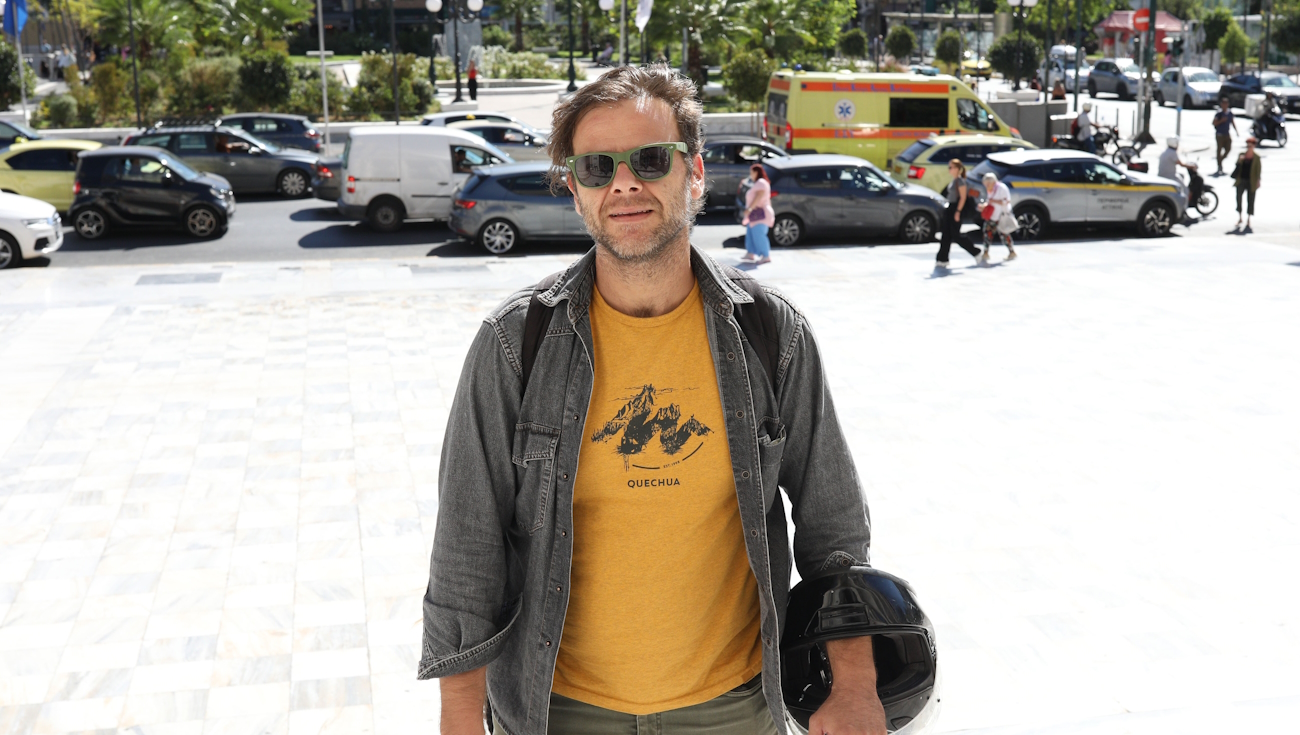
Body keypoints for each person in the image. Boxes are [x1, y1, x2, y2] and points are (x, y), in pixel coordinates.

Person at [422, 64, 885, 735]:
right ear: (575, 191)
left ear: (694, 173)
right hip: (561, 712)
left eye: (650, 159)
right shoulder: (514, 343)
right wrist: (459, 719)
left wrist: (856, 683)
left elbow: (833, 526)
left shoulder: (771, 333)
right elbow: (467, 544)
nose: (623, 184)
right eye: (596, 167)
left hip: (735, 709)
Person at [937, 159, 982, 270]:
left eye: (951, 167)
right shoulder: (954, 180)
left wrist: (957, 212)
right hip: (950, 208)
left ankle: (976, 252)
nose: (949, 169)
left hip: (955, 209)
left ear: (957, 169)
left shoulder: (960, 181)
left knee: (956, 235)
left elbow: (963, 197)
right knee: (946, 235)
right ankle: (942, 259)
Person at [741, 163, 774, 264]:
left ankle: (766, 255)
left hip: (759, 214)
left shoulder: (761, 182)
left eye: (752, 172)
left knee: (759, 235)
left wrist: (750, 209)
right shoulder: (760, 182)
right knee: (751, 234)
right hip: (755, 214)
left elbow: (758, 196)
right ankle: (750, 253)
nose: (751, 175)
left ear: (756, 172)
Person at [980, 172, 1016, 263]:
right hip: (992, 216)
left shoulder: (1002, 188)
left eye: (988, 184)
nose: (986, 186)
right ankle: (985, 253)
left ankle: (1012, 252)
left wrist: (994, 201)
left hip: (1001, 215)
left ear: (992, 182)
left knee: (1004, 234)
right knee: (987, 233)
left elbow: (1006, 201)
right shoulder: (990, 189)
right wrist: (984, 205)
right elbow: (989, 201)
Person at [1232, 136, 1261, 233]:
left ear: (1254, 146)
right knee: (1239, 198)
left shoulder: (1256, 157)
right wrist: (1240, 160)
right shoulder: (1242, 154)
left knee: (1250, 200)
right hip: (1241, 180)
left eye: (1250, 146)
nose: (1249, 147)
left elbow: (1258, 170)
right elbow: (1237, 166)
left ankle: (1248, 219)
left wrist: (1258, 181)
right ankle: (1240, 217)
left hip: (1251, 181)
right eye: (1247, 146)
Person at [1213, 98, 1237, 176]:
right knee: (1219, 150)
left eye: (1226, 104)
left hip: (1227, 134)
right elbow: (1214, 123)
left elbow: (1232, 121)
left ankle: (1220, 160)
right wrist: (1221, 121)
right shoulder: (1219, 113)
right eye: (1223, 104)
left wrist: (1236, 131)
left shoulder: (1229, 113)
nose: (1225, 105)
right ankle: (1219, 165)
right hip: (1219, 134)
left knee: (1228, 149)